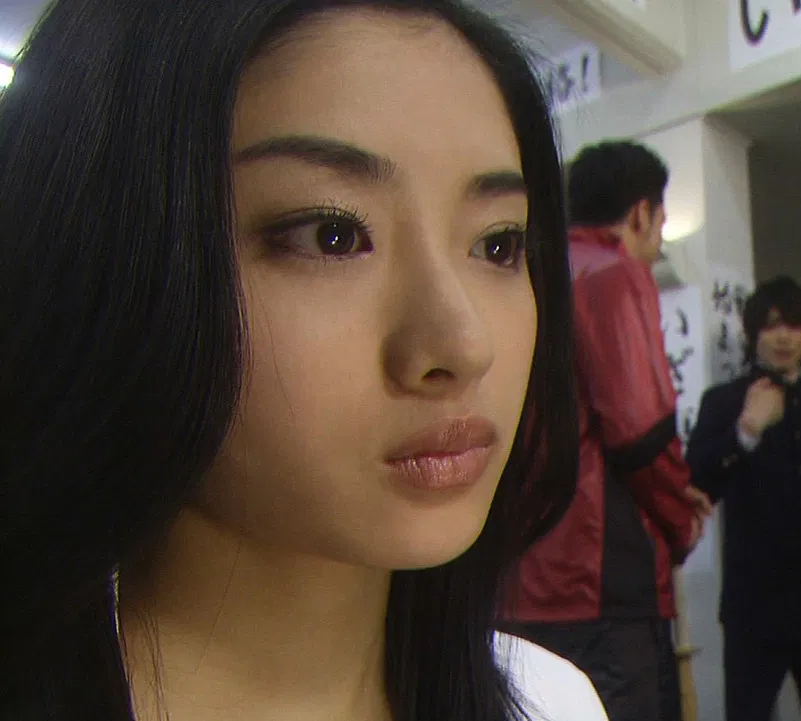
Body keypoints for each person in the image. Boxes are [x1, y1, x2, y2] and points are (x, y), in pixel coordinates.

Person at [0, 2, 607, 720]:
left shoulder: (553, 702)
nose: (463, 346)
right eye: (331, 236)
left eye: (497, 244)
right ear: (109, 253)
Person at [503, 140, 711, 721]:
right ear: (641, 213)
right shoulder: (613, 271)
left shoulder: (524, 272)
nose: (659, 238)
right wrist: (681, 517)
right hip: (597, 577)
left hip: (516, 574)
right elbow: (640, 432)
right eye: (660, 221)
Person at [686, 277, 801, 721]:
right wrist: (746, 431)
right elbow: (697, 480)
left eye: (795, 327)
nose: (784, 337)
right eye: (772, 326)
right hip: (753, 601)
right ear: (752, 333)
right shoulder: (724, 401)